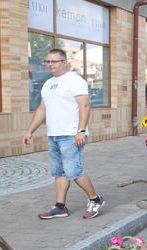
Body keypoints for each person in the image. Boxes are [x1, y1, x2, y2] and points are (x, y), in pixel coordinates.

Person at [23, 48, 104, 220]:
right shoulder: (48, 84)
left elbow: (85, 106)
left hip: (71, 134)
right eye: (47, 61)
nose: (50, 64)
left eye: (54, 61)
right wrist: (30, 131)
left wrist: (81, 130)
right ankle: (60, 207)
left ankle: (95, 199)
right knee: (59, 172)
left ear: (64, 62)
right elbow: (42, 109)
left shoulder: (75, 80)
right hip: (54, 134)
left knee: (73, 171)